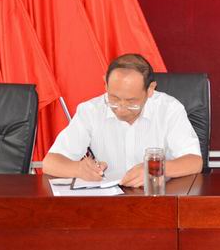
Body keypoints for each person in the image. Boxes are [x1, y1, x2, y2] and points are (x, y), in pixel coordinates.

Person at [43, 53, 203, 186]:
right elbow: (50, 163)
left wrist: (155, 168)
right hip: (107, 200)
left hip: (156, 197)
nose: (121, 108)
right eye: (114, 98)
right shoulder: (90, 111)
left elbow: (194, 162)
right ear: (105, 84)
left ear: (150, 90)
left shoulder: (169, 109)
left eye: (131, 102)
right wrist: (78, 169)